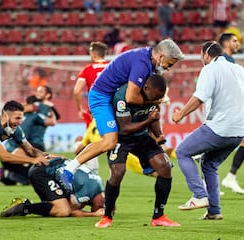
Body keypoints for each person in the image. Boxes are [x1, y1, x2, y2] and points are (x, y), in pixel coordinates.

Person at [56, 39, 184, 192]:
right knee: (110, 141)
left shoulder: (149, 60)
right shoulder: (142, 64)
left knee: (141, 120)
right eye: (169, 64)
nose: (168, 69)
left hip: (114, 97)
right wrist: (158, 100)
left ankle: (146, 162)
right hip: (102, 98)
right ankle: (69, 170)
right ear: (161, 56)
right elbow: (131, 97)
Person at [172, 41, 244, 220]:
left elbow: (200, 97)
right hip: (239, 131)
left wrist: (181, 114)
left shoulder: (209, 70)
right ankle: (214, 210)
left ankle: (199, 195)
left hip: (221, 127)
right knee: (209, 164)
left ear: (206, 55)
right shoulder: (238, 69)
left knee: (182, 152)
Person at [95, 74, 179, 228]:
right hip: (120, 137)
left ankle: (158, 216)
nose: (156, 99)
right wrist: (148, 120)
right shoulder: (123, 97)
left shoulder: (154, 95)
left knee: (164, 167)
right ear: (146, 88)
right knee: (118, 172)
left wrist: (159, 134)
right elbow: (126, 128)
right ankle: (106, 215)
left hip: (141, 136)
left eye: (159, 97)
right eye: (155, 96)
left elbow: (154, 116)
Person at [0, 157, 104, 217]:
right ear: (100, 202)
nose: (99, 209)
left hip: (52, 168)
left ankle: (30, 206)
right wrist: (94, 214)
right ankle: (23, 207)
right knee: (63, 210)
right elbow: (71, 211)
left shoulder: (97, 185)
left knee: (61, 207)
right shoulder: (88, 191)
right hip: (43, 172)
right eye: (101, 207)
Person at [219, 32, 244, 195]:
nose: (237, 44)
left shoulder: (231, 61)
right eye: (234, 41)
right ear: (226, 44)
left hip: (230, 109)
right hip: (224, 110)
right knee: (215, 145)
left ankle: (227, 178)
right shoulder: (222, 61)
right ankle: (220, 179)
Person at [0, 87, 57, 186]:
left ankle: (12, 174)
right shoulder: (36, 113)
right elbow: (53, 121)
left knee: (15, 157)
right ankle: (16, 175)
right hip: (29, 143)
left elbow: (52, 121)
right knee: (18, 159)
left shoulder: (33, 113)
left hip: (31, 144)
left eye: (40, 91)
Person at [73, 41, 109, 127]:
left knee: (94, 138)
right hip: (112, 108)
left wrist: (80, 109)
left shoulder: (87, 70)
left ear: (94, 53)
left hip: (95, 109)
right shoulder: (113, 67)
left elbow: (76, 91)